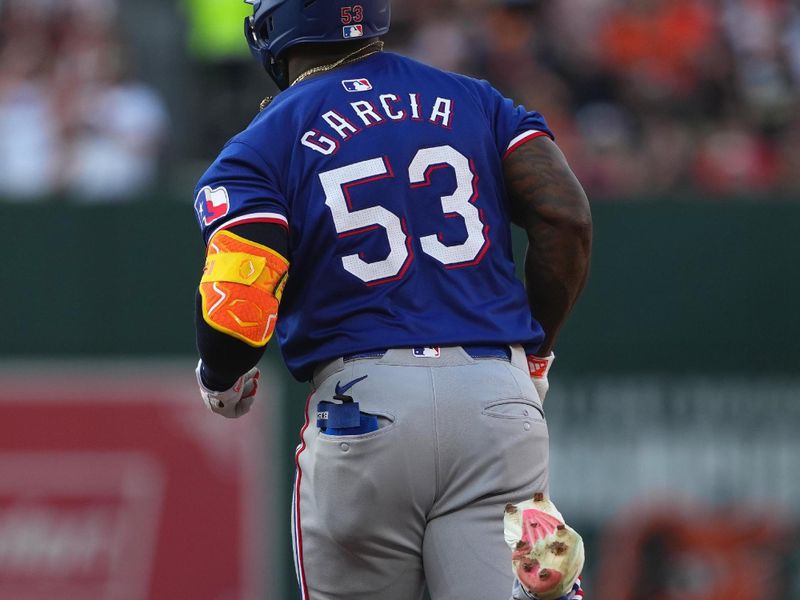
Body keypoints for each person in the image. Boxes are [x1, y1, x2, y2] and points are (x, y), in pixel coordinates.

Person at [192, 0, 592, 598]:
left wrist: (222, 375)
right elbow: (564, 215)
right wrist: (534, 355)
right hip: (495, 399)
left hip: (363, 410)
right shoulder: (476, 100)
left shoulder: (261, 143)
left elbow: (240, 296)